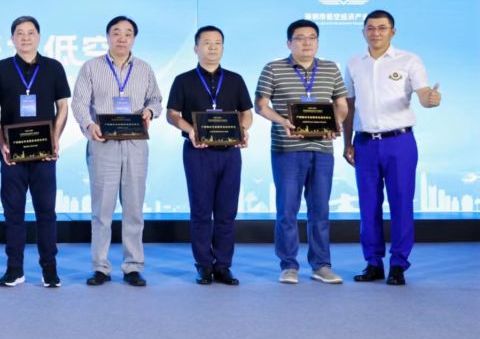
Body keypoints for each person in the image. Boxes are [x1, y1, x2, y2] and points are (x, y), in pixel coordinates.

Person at [342, 10, 441, 286]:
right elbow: (349, 105)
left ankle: (398, 264)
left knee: (401, 203)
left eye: (382, 28)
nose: (376, 33)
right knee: (368, 206)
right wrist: (347, 142)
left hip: (400, 142)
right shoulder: (353, 63)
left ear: (392, 32)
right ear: (363, 31)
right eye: (370, 28)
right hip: (364, 142)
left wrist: (430, 99)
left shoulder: (409, 60)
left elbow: (423, 93)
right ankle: (373, 263)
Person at [71, 15, 162, 287]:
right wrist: (89, 126)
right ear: (108, 36)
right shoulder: (91, 67)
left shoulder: (144, 68)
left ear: (134, 38)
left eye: (128, 33)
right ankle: (100, 267)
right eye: (116, 32)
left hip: (135, 145)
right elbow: (79, 102)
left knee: (134, 209)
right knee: (102, 211)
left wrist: (149, 111)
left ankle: (133, 266)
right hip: (103, 144)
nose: (122, 38)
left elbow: (156, 99)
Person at [255, 19, 348, 285]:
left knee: (320, 210)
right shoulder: (273, 68)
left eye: (312, 37)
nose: (306, 42)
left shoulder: (330, 68)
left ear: (317, 41)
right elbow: (260, 105)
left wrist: (337, 122)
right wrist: (283, 121)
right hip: (287, 149)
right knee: (287, 210)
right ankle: (288, 265)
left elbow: (341, 105)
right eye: (300, 38)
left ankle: (321, 265)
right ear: (289, 43)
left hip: (322, 148)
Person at [0, 15, 71, 288]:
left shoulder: (53, 67)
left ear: (39, 36)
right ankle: (14, 269)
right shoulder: (0, 68)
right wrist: (1, 142)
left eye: (30, 32)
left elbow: (63, 107)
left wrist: (55, 139)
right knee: (13, 213)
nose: (25, 37)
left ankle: (50, 269)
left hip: (44, 154)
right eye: (19, 33)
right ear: (12, 38)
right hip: (12, 154)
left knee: (46, 212)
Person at [166, 25, 252, 286]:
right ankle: (203, 265)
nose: (212, 47)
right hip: (198, 152)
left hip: (230, 153)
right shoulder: (183, 80)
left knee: (227, 212)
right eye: (206, 42)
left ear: (223, 47)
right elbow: (172, 114)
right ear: (196, 48)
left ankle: (223, 266)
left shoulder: (235, 79)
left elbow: (247, 113)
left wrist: (243, 129)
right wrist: (191, 130)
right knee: (201, 211)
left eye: (217, 43)